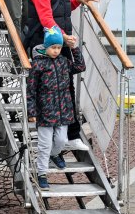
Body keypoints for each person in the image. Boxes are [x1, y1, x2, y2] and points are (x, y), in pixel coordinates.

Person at [26, 27, 88, 190]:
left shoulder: (63, 62)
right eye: (53, 47)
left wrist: (74, 48)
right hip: (45, 113)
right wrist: (31, 112)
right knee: (44, 144)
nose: (56, 51)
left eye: (59, 48)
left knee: (61, 140)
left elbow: (81, 67)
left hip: (64, 111)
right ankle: (42, 174)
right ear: (46, 47)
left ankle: (55, 154)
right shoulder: (38, 65)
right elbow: (31, 90)